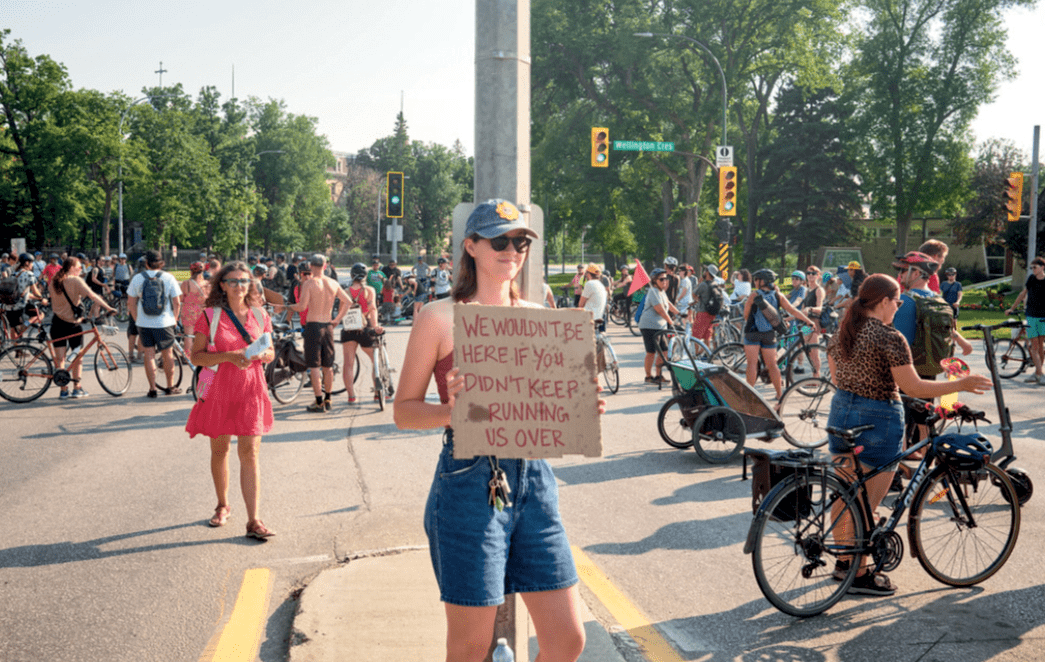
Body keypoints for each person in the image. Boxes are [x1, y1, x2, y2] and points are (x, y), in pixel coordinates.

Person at [393, 199, 596, 662]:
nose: (512, 250)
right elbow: (404, 412)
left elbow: (542, 410)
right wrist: (452, 410)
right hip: (468, 482)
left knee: (567, 640)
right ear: (471, 246)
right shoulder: (439, 317)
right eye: (499, 240)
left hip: (535, 483)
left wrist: (578, 407)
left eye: (520, 241)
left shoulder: (538, 313)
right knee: (469, 646)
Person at [826, 273, 992, 596]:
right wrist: (961, 384)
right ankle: (859, 575)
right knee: (867, 502)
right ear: (884, 302)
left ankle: (844, 561)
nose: (898, 307)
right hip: (878, 418)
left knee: (845, 493)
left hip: (841, 411)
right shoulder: (889, 338)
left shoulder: (843, 332)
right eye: (897, 301)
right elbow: (913, 386)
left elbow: (837, 377)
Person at [186, 261, 277, 540]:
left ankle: (254, 520)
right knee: (220, 450)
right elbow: (196, 357)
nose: (240, 286)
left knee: (250, 453)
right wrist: (228, 356)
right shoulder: (210, 316)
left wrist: (262, 355)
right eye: (234, 281)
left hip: (252, 389)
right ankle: (223, 505)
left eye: (244, 281)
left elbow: (271, 351)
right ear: (222, 285)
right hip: (219, 390)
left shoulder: (260, 315)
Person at [282, 254, 352, 412]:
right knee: (328, 366)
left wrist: (286, 307)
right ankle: (328, 399)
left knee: (314, 366)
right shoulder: (333, 283)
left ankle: (318, 401)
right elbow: (348, 301)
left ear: (311, 266)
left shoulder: (309, 283)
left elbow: (301, 307)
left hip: (313, 326)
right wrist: (337, 319)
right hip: (328, 326)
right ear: (325, 266)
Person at [47, 257, 117, 399]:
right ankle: (77, 388)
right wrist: (109, 307)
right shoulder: (75, 280)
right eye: (79, 267)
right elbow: (92, 295)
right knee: (77, 358)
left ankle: (63, 390)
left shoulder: (54, 280)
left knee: (60, 360)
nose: (81, 270)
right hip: (73, 324)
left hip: (57, 324)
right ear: (71, 268)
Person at [742, 269, 815, 400]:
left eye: (756, 279)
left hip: (752, 333)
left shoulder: (754, 295)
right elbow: (792, 310)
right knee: (773, 365)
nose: (755, 282)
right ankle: (780, 394)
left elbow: (746, 315)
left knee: (752, 364)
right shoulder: (777, 295)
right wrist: (808, 321)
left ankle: (749, 396)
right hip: (769, 334)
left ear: (762, 280)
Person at [127, 250, 183, 397]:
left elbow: (131, 303)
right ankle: (170, 387)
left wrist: (137, 318)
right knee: (168, 354)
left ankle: (152, 389)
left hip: (144, 323)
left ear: (146, 263)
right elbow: (177, 302)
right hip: (165, 322)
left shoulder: (138, 278)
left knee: (149, 355)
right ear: (161, 262)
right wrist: (175, 319)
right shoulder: (169, 278)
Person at [341, 262, 383, 403]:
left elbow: (342, 312)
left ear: (352, 275)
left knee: (348, 363)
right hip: (366, 327)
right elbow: (373, 309)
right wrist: (375, 326)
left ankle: (351, 396)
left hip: (349, 329)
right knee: (375, 361)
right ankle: (377, 392)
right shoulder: (369, 290)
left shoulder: (345, 292)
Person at [1005, 256, 1045, 385]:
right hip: (1031, 315)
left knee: (1040, 348)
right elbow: (1022, 294)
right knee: (1034, 346)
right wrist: (1012, 308)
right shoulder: (1031, 279)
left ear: (1042, 267)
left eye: (1035, 267)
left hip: (1043, 317)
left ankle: (1037, 373)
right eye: (1031, 267)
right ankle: (1040, 374)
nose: (1032, 269)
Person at [638, 268, 679, 384]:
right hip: (649, 326)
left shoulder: (661, 292)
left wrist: (679, 313)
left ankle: (658, 375)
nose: (665, 281)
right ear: (654, 280)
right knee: (651, 352)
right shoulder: (653, 292)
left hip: (660, 326)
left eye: (666, 279)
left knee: (664, 351)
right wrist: (671, 322)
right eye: (662, 279)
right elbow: (660, 310)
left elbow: (668, 304)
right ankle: (648, 376)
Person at [179, 262, 210, 362]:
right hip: (203, 310)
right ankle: (202, 353)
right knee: (202, 333)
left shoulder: (186, 283)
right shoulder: (207, 284)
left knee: (188, 334)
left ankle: (187, 356)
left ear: (191, 271)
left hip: (189, 310)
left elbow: (181, 298)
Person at [691, 265, 721, 351]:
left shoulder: (703, 284)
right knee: (707, 335)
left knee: (696, 335)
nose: (704, 272)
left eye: (705, 270)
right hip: (712, 313)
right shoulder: (715, 284)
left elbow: (694, 294)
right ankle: (706, 354)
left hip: (702, 312)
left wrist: (699, 283)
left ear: (707, 272)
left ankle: (696, 354)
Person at [577, 263, 608, 328]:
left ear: (588, 274)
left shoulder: (589, 283)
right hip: (599, 315)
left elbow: (581, 304)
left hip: (589, 317)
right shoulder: (600, 284)